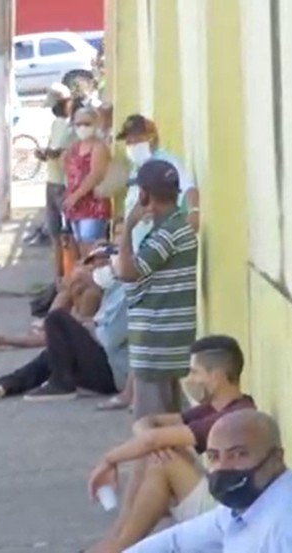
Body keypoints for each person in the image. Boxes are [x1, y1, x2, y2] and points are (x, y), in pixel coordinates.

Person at [83, 335, 256, 553]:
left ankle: (118, 547)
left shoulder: (231, 417)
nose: (190, 379)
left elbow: (152, 437)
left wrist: (109, 460)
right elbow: (148, 422)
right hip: (217, 498)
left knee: (162, 461)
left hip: (230, 513)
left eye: (195, 372)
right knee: (155, 453)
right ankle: (116, 541)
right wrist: (151, 441)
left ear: (217, 377)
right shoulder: (214, 407)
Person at [125, 410, 292, 553]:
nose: (223, 467)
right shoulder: (247, 505)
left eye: (238, 454)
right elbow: (176, 542)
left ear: (276, 459)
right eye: (213, 456)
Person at [0, 254, 121, 401]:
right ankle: (5, 384)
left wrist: (84, 328)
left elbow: (110, 338)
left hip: (114, 373)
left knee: (57, 320)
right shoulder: (115, 293)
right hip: (108, 363)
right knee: (53, 350)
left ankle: (62, 384)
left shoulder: (122, 297)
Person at [113, 159, 198, 418]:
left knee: (151, 428)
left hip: (156, 344)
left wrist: (127, 228)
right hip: (167, 342)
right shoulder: (177, 226)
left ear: (144, 194)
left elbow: (128, 272)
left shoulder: (166, 234)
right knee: (169, 427)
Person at [116, 114, 200, 236]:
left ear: (151, 138)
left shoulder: (165, 162)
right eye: (128, 141)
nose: (132, 145)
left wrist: (194, 212)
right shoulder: (136, 169)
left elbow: (188, 187)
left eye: (137, 139)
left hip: (160, 240)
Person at [36, 83, 75, 277]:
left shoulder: (73, 126)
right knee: (54, 233)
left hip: (65, 183)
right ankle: (58, 275)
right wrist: (45, 154)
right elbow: (53, 149)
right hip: (52, 180)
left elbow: (66, 152)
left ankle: (68, 273)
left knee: (68, 233)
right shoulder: (57, 123)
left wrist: (53, 153)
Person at [64, 106, 112, 258]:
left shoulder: (99, 147)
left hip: (93, 206)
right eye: (78, 124)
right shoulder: (75, 147)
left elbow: (96, 175)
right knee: (80, 247)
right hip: (75, 206)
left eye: (86, 123)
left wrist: (75, 196)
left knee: (91, 248)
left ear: (95, 123)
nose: (82, 127)